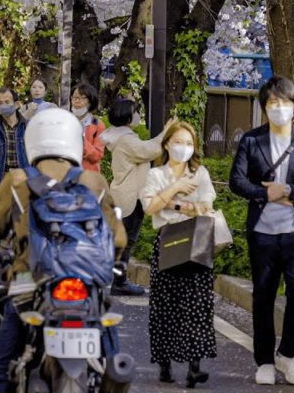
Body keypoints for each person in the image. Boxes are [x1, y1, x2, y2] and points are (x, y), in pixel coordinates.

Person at [0, 108, 128, 393]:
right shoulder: (93, 182)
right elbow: (118, 239)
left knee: (3, 363)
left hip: (28, 278)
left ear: (32, 141)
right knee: (108, 340)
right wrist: (109, 266)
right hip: (86, 278)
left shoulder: (18, 180)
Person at [229, 75, 294, 386]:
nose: (279, 108)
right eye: (273, 103)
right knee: (263, 296)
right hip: (263, 232)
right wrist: (264, 194)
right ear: (264, 107)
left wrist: (289, 190)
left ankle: (287, 354)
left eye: (285, 103)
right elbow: (237, 181)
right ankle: (265, 360)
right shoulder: (251, 140)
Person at [141, 121, 218, 386]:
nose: (183, 148)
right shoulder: (156, 175)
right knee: (165, 306)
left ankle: (194, 366)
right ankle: (164, 364)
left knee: (198, 304)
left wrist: (176, 204)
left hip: (196, 240)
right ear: (166, 144)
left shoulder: (200, 173)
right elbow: (150, 207)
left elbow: (205, 204)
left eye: (189, 143)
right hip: (167, 241)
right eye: (178, 142)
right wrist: (174, 192)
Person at [100, 98, 178, 296]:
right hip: (130, 196)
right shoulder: (126, 139)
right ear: (127, 115)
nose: (138, 115)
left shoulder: (118, 136)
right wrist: (166, 132)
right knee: (126, 242)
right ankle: (119, 282)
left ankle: (116, 280)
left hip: (124, 193)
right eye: (136, 112)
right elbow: (150, 150)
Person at [72, 83, 106, 173]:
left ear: (90, 102)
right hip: (65, 172)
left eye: (83, 98)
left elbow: (98, 155)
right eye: (75, 97)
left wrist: (82, 142)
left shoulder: (98, 125)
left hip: (88, 175)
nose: (77, 101)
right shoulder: (65, 120)